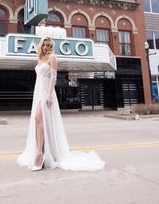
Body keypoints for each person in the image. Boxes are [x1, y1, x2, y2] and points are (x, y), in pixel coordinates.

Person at [17, 36, 105, 172]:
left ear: (51, 47)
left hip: (46, 92)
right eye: (44, 45)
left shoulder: (52, 58)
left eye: (48, 45)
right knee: (38, 120)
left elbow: (53, 77)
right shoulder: (40, 59)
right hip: (38, 91)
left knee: (38, 118)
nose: (45, 47)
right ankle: (40, 151)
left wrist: (50, 94)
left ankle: (40, 153)